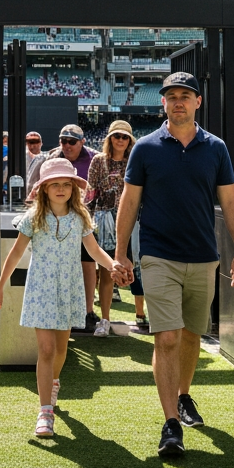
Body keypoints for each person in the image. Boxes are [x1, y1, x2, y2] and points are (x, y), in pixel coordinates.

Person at [115, 72, 234, 457]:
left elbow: (231, 200)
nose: (178, 102)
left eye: (184, 96)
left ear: (198, 102)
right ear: (163, 103)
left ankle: (184, 396)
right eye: (171, 96)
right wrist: (121, 252)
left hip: (204, 256)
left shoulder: (216, 148)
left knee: (191, 335)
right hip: (158, 256)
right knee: (168, 336)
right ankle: (171, 423)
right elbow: (129, 202)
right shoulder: (145, 148)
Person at [0, 157, 128, 438]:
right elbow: (16, 253)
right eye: (55, 184)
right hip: (41, 288)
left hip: (69, 288)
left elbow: (93, 250)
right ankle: (45, 412)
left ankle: (53, 381)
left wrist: (112, 265)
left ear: (74, 189)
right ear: (43, 188)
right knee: (45, 350)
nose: (61, 189)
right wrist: (0, 285)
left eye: (67, 184)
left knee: (61, 348)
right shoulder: (33, 218)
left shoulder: (80, 218)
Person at [28, 124, 100, 330]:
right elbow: (34, 185)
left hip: (83, 216)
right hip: (53, 217)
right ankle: (55, 311)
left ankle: (87, 310)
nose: (66, 145)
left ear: (82, 142)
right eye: (63, 140)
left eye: (72, 141)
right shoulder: (50, 158)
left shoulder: (94, 158)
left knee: (87, 262)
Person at [85, 119, 141, 336]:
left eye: (125, 137)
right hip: (105, 220)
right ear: (109, 138)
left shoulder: (136, 160)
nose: (120, 140)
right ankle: (105, 320)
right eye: (117, 136)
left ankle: (145, 315)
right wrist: (86, 222)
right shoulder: (98, 161)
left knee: (141, 268)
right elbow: (90, 194)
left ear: (130, 140)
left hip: (134, 220)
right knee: (108, 271)